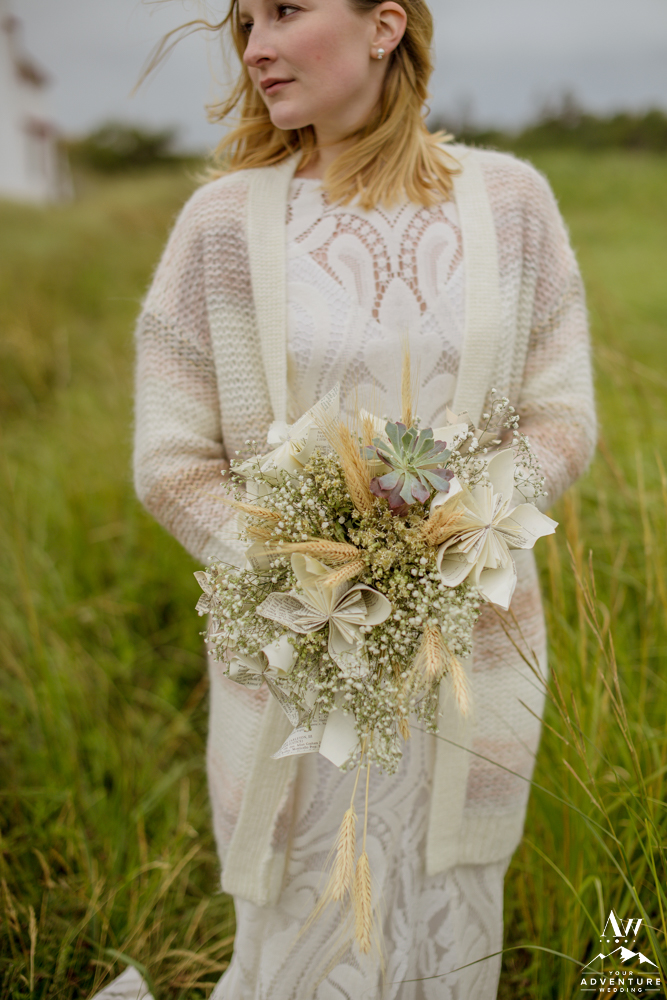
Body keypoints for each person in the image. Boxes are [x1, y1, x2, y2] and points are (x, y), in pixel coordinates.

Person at [126, 1, 596, 998]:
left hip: (466, 659)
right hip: (292, 669)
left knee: (447, 924)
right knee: (304, 929)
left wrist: (450, 534)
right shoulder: (221, 227)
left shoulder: (512, 203)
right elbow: (170, 460)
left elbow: (561, 420)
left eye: (287, 11)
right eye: (245, 20)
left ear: (385, 25)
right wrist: (301, 569)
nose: (254, 44)